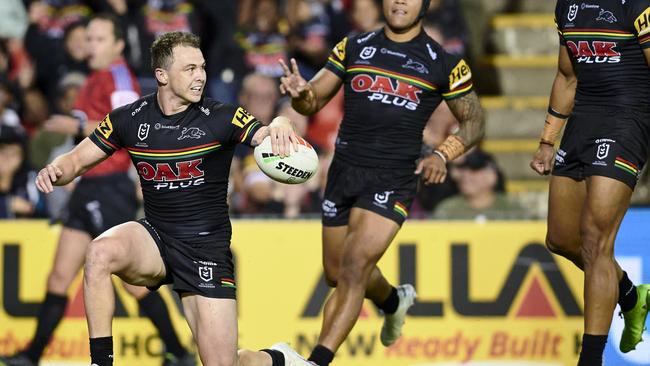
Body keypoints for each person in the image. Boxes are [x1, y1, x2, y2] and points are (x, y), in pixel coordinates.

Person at [33, 31, 299, 366]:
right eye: (189, 69)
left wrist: (282, 119)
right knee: (99, 253)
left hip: (206, 248)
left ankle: (278, 359)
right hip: (156, 237)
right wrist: (55, 170)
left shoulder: (221, 116)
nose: (200, 75)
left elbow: (264, 132)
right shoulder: (130, 118)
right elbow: (74, 160)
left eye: (201, 67)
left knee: (223, 363)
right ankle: (101, 362)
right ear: (162, 75)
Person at [271, 0, 485, 364]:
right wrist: (300, 93)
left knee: (355, 267)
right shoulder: (353, 46)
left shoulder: (443, 62)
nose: (400, 0)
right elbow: (313, 101)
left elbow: (474, 122)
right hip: (344, 171)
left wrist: (441, 154)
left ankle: (315, 361)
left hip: (394, 177)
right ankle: (392, 300)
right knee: (338, 274)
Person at [0, 15, 195, 366]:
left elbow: (136, 125)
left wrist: (77, 125)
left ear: (119, 45)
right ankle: (31, 356)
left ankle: (178, 352)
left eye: (99, 39)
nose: (90, 45)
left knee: (133, 284)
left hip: (109, 187)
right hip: (89, 185)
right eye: (89, 39)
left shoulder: (118, 78)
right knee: (60, 274)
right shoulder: (97, 77)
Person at [530, 1, 650, 364]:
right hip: (582, 123)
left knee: (597, 240)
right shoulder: (568, 6)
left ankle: (591, 358)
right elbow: (567, 76)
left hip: (627, 122)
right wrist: (548, 140)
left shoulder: (638, 5)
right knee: (561, 239)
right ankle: (629, 294)